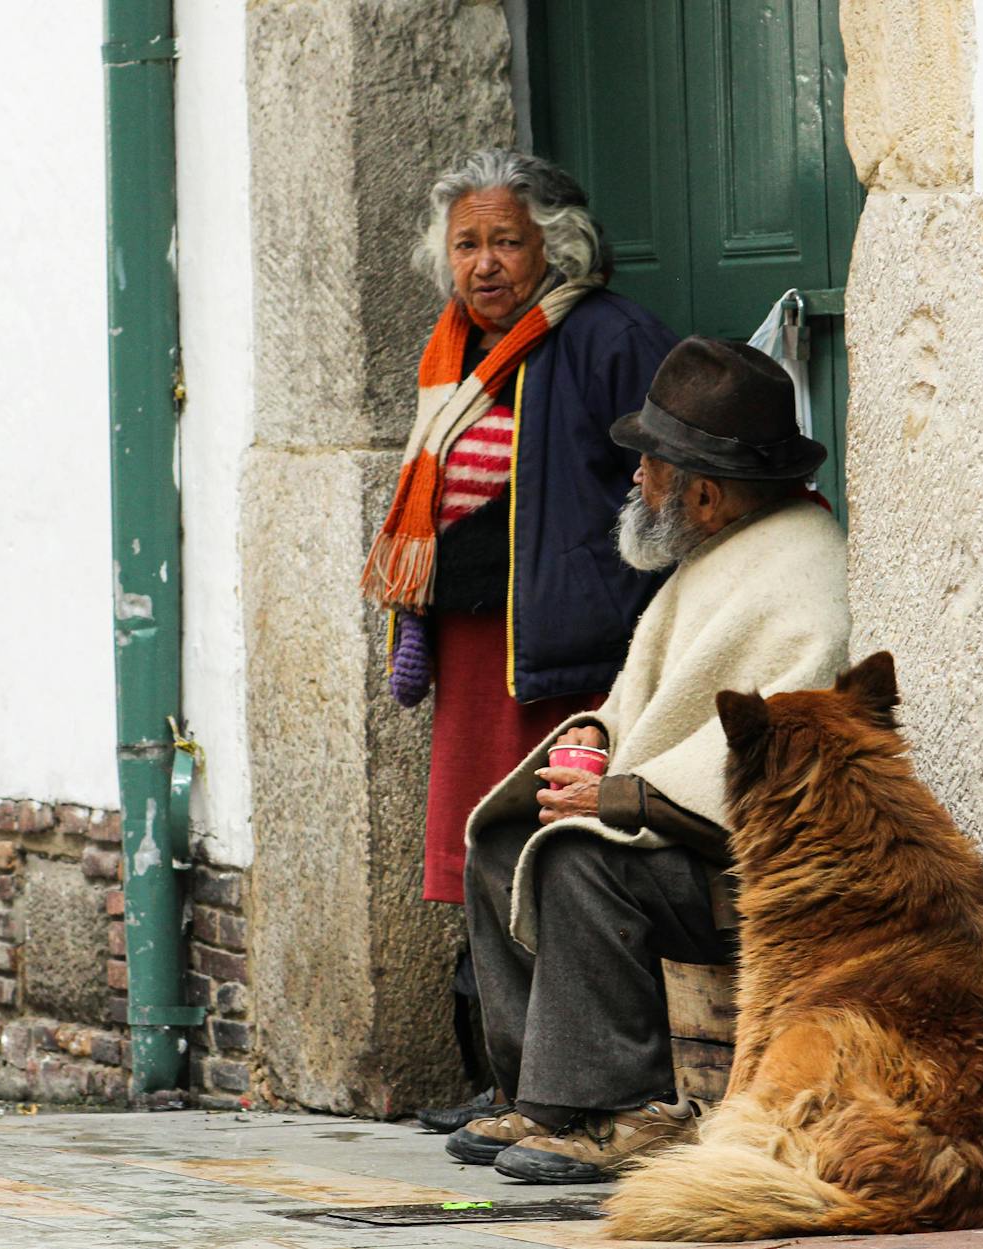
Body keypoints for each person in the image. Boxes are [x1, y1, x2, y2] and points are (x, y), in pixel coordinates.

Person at [447, 336, 851, 1184]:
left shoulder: (806, 568)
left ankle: (626, 1109)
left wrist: (623, 796)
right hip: (668, 811)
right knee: (505, 831)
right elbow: (648, 701)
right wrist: (596, 735)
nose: (635, 478)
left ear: (703, 493)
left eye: (651, 465)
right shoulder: (720, 550)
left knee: (586, 861)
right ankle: (540, 1092)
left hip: (742, 860)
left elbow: (775, 746)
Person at [360, 150, 677, 1130]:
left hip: (562, 650)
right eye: (467, 243)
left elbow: (661, 485)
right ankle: (505, 1081)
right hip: (472, 645)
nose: (485, 263)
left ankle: (554, 1086)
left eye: (506, 239)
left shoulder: (607, 338)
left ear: (557, 243)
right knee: (478, 855)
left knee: (544, 851)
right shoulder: (449, 351)